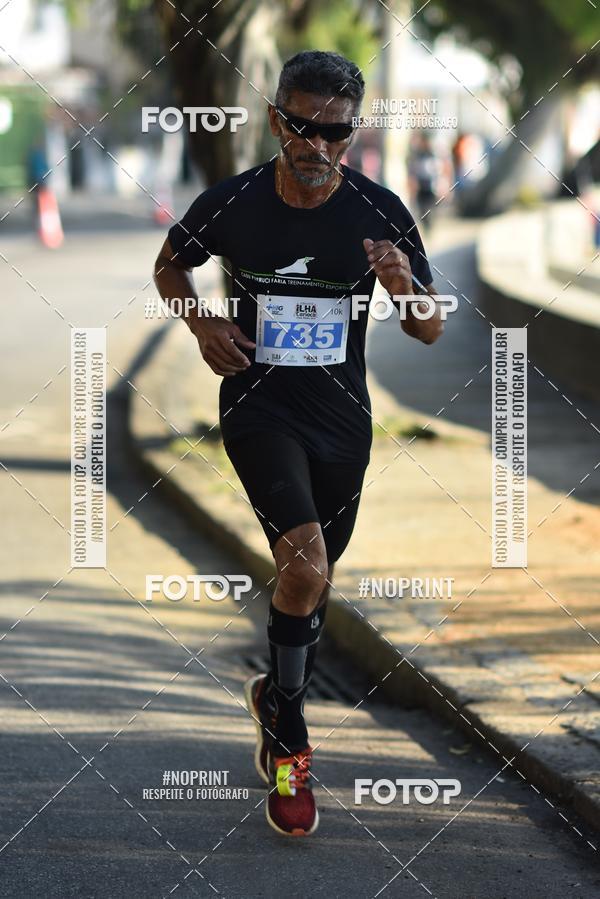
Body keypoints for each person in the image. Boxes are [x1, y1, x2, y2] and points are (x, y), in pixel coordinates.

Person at [153, 49, 443, 837]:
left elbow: (429, 328)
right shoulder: (236, 200)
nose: (317, 146)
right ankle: (292, 740)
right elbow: (170, 264)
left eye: (336, 133)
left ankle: (274, 696)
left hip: (343, 417)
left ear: (353, 132)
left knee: (311, 585)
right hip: (257, 405)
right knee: (305, 562)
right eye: (302, 126)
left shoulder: (378, 209)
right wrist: (201, 319)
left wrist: (403, 287)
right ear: (277, 118)